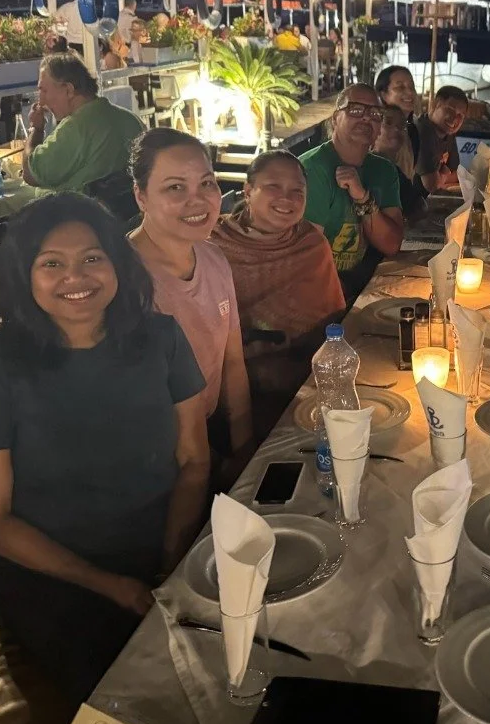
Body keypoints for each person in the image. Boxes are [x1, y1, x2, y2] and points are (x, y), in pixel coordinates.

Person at [0, 193, 210, 704]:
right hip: (51, 571)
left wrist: (173, 559)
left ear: (116, 262)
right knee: (131, 697)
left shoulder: (161, 337)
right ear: (25, 275)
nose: (77, 277)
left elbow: (194, 460)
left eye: (93, 257)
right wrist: (111, 584)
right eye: (52, 264)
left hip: (163, 543)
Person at [129, 129, 253, 468]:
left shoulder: (214, 259)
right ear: (141, 196)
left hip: (207, 438)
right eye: (175, 187)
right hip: (153, 458)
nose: (197, 200)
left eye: (207, 183)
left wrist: (247, 457)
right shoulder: (121, 282)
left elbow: (232, 363)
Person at [209, 151, 346, 413]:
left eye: (298, 190)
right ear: (248, 191)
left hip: (304, 377)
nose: (287, 198)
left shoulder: (311, 242)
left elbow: (330, 322)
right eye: (273, 186)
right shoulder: (213, 245)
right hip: (229, 386)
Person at [300, 83, 405, 298]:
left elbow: (392, 244)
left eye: (375, 114)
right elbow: (307, 260)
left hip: (360, 282)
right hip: (319, 291)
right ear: (335, 119)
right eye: (355, 110)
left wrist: (363, 198)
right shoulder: (310, 170)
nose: (366, 118)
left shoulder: (384, 171)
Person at [24, 54, 145, 197]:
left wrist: (36, 129)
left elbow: (31, 174)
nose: (42, 101)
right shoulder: (131, 120)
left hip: (80, 215)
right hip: (125, 214)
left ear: (68, 90)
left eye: (44, 90)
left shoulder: (75, 128)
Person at [374, 103, 427, 219]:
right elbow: (418, 208)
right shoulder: (372, 166)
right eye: (388, 122)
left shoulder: (393, 169)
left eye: (402, 125)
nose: (397, 128)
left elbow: (417, 204)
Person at [415, 84, 467, 193]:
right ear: (435, 105)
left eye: (460, 115)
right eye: (450, 110)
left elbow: (457, 174)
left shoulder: (448, 133)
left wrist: (440, 176)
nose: (454, 119)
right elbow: (432, 185)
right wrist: (444, 173)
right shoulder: (422, 131)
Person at [374, 64, 422, 174]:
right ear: (383, 94)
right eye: (400, 87)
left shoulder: (412, 130)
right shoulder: (377, 130)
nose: (410, 92)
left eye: (412, 87)